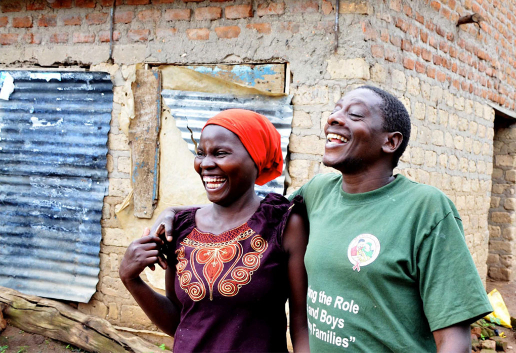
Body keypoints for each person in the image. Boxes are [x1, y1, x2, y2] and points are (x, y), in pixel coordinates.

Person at [153, 86, 492, 352]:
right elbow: (244, 208)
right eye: (335, 110)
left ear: (391, 142)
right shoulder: (317, 193)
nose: (334, 118)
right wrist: (173, 215)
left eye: (354, 114)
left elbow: (454, 338)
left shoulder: (425, 209)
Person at [120, 109, 309, 353]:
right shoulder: (182, 228)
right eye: (201, 153)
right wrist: (130, 279)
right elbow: (180, 321)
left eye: (220, 153)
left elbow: (301, 326)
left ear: (255, 158)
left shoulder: (283, 224)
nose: (206, 164)